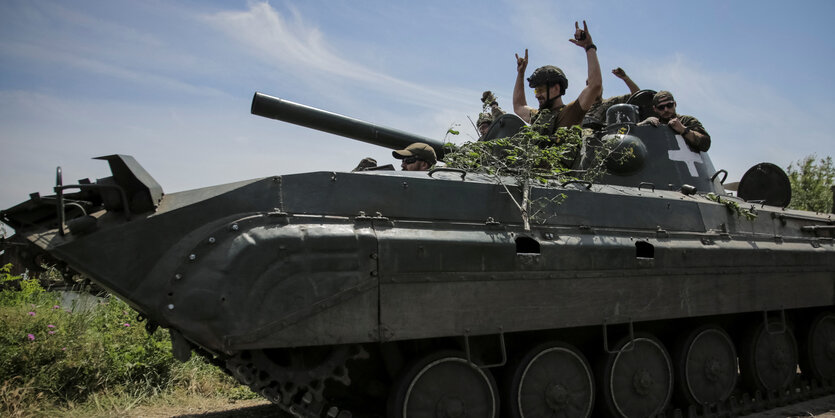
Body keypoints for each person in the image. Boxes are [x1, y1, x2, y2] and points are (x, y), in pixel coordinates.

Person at [512, 21, 602, 139]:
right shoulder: (539, 117)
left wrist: (589, 47)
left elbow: (594, 85)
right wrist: (520, 73)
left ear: (556, 88)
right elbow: (519, 106)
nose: (537, 95)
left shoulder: (570, 112)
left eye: (541, 89)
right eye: (536, 91)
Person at [638, 90, 711, 152]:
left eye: (669, 105)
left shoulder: (686, 121)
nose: (666, 110)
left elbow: (705, 143)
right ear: (655, 109)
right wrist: (643, 126)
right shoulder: (653, 125)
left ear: (675, 104)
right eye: (661, 107)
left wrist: (683, 130)